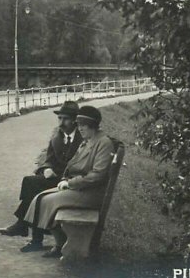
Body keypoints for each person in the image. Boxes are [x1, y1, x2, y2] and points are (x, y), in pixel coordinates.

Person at [20, 105, 118, 258]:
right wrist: (66, 179)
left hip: (91, 193)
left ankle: (62, 245)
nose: (79, 128)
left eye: (82, 125)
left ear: (91, 125)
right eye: (78, 125)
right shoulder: (88, 140)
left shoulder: (103, 143)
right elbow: (73, 165)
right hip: (81, 189)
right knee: (40, 197)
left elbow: (98, 175)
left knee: (46, 201)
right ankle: (59, 243)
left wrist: (71, 183)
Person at [0, 100, 82, 238]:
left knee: (35, 188)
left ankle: (26, 230)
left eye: (65, 119)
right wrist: (47, 168)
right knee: (30, 182)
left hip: (70, 181)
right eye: (59, 118)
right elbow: (48, 160)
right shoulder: (57, 138)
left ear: (74, 121)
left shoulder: (82, 138)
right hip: (55, 178)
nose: (61, 123)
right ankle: (25, 229)